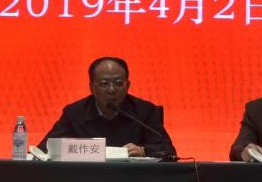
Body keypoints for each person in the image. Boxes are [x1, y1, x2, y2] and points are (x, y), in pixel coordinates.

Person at [39, 56, 176, 158]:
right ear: (92, 87)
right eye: (104, 84)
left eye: (118, 83)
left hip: (132, 180)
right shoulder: (74, 113)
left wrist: (143, 150)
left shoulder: (144, 111)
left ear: (127, 86)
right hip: (86, 180)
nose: (112, 90)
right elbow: (44, 149)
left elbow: (169, 150)